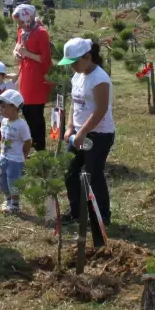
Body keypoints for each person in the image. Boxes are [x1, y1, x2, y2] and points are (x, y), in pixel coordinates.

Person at [60, 38, 116, 236]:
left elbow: (100, 110)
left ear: (87, 56)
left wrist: (82, 132)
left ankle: (102, 216)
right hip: (78, 133)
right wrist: (69, 128)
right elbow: (74, 104)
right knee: (69, 171)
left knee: (93, 174)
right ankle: (76, 210)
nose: (72, 67)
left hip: (99, 134)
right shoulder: (77, 75)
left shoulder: (99, 79)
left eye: (75, 62)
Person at [12, 4, 52, 151]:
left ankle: (40, 146)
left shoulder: (41, 33)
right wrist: (16, 53)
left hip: (37, 78)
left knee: (35, 113)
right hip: (25, 75)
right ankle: (32, 143)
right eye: (18, 23)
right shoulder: (22, 30)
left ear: (28, 17)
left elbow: (45, 59)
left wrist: (27, 54)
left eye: (21, 21)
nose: (20, 25)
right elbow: (17, 46)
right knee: (26, 111)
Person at [0, 89, 32, 214]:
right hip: (4, 156)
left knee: (14, 182)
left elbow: (28, 141)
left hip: (15, 160)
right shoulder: (4, 121)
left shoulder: (21, 125)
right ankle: (8, 200)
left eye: (4, 106)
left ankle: (15, 205)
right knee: (1, 180)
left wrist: (24, 155)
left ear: (14, 108)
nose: (1, 109)